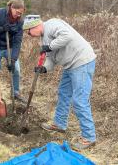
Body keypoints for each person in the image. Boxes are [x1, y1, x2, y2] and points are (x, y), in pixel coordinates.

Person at [23, 15, 97, 150]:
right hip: (70, 65)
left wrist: (49, 46)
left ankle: (89, 137)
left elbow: (67, 36)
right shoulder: (43, 37)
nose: (28, 35)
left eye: (28, 31)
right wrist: (44, 68)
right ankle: (59, 124)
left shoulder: (52, 25)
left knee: (79, 100)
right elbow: (51, 58)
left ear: (34, 26)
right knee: (63, 94)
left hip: (81, 62)